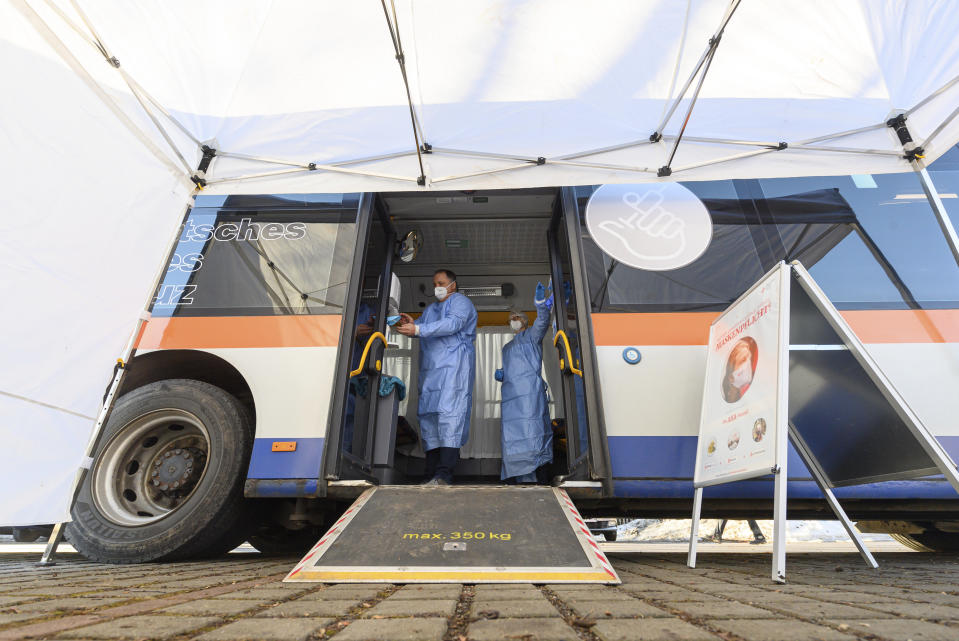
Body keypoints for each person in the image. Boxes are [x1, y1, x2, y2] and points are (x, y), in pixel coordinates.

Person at [395, 269, 477, 485]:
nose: (436, 287)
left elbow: (452, 324)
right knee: (430, 421)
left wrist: (418, 328)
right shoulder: (431, 309)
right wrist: (411, 323)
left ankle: (444, 475)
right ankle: (430, 474)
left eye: (440, 283)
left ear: (453, 284)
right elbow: (422, 329)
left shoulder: (461, 302)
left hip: (453, 370)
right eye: (434, 284)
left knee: (449, 419)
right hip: (431, 374)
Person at [494, 283, 553, 484]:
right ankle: (515, 479)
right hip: (511, 398)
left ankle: (539, 478)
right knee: (513, 437)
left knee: (533, 433)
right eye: (511, 319)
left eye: (517, 318)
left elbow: (543, 321)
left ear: (525, 322)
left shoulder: (532, 337)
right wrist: (504, 374)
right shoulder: (507, 347)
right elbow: (511, 367)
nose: (513, 321)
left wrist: (540, 304)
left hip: (530, 394)